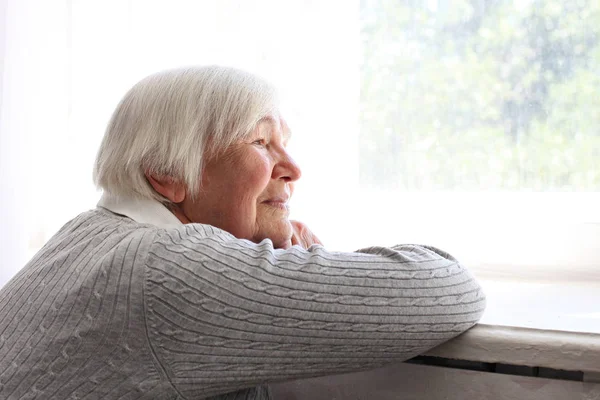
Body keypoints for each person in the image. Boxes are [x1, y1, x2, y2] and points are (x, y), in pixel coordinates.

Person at [0, 66, 486, 400]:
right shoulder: (170, 269)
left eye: (284, 145)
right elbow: (449, 289)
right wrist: (307, 265)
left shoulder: (87, 236)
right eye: (260, 141)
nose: (293, 168)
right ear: (167, 173)